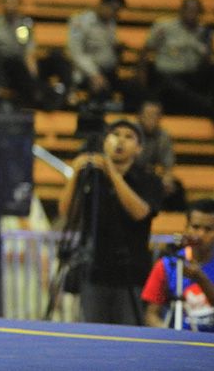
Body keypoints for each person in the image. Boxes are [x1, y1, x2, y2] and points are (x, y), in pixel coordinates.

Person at [58, 119, 163, 325]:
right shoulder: (92, 176)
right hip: (94, 271)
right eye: (115, 135)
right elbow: (67, 213)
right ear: (105, 141)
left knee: (129, 336)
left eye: (128, 137)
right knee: (93, 336)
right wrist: (75, 175)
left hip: (131, 273)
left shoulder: (149, 179)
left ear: (139, 148)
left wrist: (111, 171)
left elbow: (140, 213)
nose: (120, 141)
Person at [140, 0, 214, 133]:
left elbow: (207, 62)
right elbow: (145, 51)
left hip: (192, 78)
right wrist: (141, 74)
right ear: (181, 10)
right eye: (188, 9)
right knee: (172, 85)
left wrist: (205, 48)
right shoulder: (164, 27)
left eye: (195, 10)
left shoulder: (205, 33)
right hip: (167, 77)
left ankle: (210, 108)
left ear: (200, 13)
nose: (191, 13)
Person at [142, 199, 214, 333]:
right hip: (178, 343)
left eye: (208, 229)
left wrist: (200, 278)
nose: (200, 234)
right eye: (195, 227)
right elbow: (151, 315)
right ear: (186, 228)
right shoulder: (166, 265)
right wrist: (169, 336)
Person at [136, 100, 186, 212]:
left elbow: (168, 162)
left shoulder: (163, 135)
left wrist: (167, 178)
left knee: (176, 187)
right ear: (140, 116)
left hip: (150, 176)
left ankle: (177, 220)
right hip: (131, 175)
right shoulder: (132, 132)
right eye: (148, 115)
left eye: (156, 115)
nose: (152, 119)